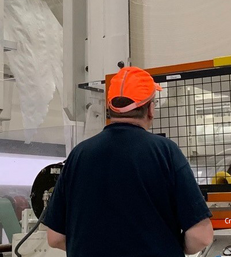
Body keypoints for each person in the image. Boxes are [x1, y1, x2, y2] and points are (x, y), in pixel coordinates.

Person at [43, 66, 214, 257]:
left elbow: (55, 237)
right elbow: (201, 235)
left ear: (109, 108)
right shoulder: (166, 152)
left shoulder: (78, 155)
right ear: (150, 109)